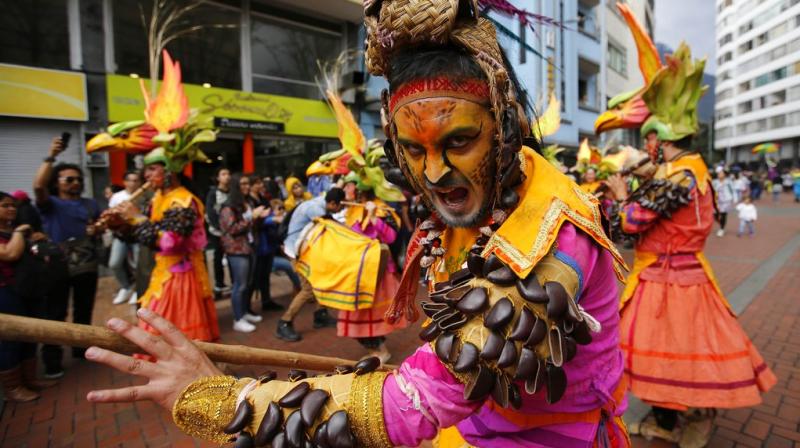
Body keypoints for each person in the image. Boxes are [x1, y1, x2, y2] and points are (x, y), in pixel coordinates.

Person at [86, 2, 632, 446]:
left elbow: (419, 402)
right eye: (413, 150)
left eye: (458, 141)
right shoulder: (483, 203)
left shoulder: (544, 240)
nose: (434, 172)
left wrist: (220, 400)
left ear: (506, 125)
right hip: (472, 427)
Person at [599, 11, 775, 445]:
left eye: (649, 140)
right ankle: (678, 420)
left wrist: (622, 194)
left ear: (661, 138)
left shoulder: (679, 175)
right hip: (679, 276)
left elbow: (629, 224)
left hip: (669, 281)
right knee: (685, 355)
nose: (646, 147)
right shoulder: (689, 170)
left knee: (673, 358)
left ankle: (682, 422)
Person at [90, 50, 220, 346]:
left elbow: (169, 240)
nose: (147, 177)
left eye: (152, 170)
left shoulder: (183, 200)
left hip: (179, 278)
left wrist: (136, 218)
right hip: (161, 273)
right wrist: (120, 226)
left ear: (170, 169)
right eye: (145, 171)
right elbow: (143, 234)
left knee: (176, 339)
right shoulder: (157, 198)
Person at [33, 136, 102, 379]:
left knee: (83, 310)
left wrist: (98, 229)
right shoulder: (49, 203)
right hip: (58, 264)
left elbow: (101, 224)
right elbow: (39, 186)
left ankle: (80, 349)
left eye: (78, 180)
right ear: (57, 182)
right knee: (56, 311)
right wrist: (51, 155)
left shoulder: (90, 203)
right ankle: (52, 360)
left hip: (86, 262)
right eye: (69, 179)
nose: (75, 183)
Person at [0, 192, 58, 402]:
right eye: (5, 205)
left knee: (30, 334)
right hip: (5, 292)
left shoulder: (14, 232)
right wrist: (18, 232)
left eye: (13, 205)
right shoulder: (15, 232)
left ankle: (30, 379)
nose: (12, 209)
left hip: (27, 289)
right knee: (11, 338)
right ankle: (13, 388)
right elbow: (9, 254)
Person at [275, 188, 344, 342]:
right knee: (308, 290)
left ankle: (320, 316)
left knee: (320, 281)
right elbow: (331, 230)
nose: (340, 210)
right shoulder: (316, 209)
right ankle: (284, 323)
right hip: (296, 251)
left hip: (305, 250)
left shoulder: (321, 202)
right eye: (340, 207)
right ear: (333, 203)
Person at [219, 173, 265, 333]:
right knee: (240, 285)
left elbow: (251, 224)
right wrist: (251, 216)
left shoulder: (247, 202)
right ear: (235, 187)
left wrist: (258, 216)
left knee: (248, 283)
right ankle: (237, 319)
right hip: (237, 250)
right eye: (243, 184)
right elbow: (231, 228)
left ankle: (244, 312)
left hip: (250, 246)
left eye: (247, 183)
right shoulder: (228, 205)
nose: (247, 186)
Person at [108, 170, 142, 305]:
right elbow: (111, 215)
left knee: (138, 265)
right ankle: (126, 287)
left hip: (138, 235)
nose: (133, 183)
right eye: (130, 180)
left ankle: (137, 290)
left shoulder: (145, 196)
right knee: (114, 263)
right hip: (121, 235)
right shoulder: (116, 196)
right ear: (124, 182)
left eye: (136, 180)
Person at [204, 167, 231, 297]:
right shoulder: (213, 193)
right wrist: (219, 228)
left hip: (231, 231)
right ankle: (219, 284)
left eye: (228, 174)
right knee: (218, 257)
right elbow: (210, 212)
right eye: (223, 174)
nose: (227, 176)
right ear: (218, 178)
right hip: (217, 232)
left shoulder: (232, 192)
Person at [712, 170, 735, 237]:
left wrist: (734, 198)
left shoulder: (728, 182)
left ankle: (721, 229)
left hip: (726, 200)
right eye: (718, 174)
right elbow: (712, 189)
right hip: (717, 200)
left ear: (724, 175)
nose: (719, 175)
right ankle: (721, 223)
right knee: (715, 214)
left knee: (723, 214)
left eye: (721, 174)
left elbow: (733, 190)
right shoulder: (715, 182)